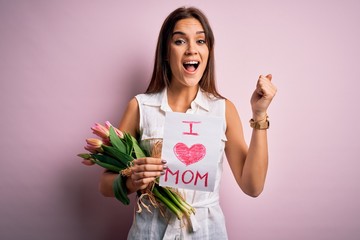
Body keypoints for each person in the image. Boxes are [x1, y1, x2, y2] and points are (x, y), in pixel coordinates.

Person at [95, 6, 276, 240]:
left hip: (206, 233)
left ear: (209, 51)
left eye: (201, 41)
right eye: (180, 41)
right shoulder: (140, 107)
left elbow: (253, 187)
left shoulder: (223, 109)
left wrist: (259, 115)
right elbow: (105, 184)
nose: (192, 49)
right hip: (150, 233)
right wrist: (131, 181)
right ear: (166, 52)